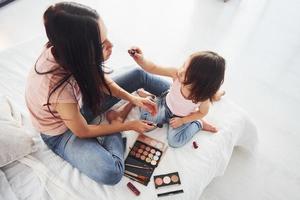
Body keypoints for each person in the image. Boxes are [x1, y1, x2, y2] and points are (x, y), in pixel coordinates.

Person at [25, 2, 170, 185]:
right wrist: (128, 125)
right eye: (102, 44)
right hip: (61, 132)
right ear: (82, 51)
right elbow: (83, 130)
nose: (111, 45)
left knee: (138, 75)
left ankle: (177, 97)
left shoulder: (66, 50)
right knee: (111, 172)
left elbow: (99, 79)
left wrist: (133, 98)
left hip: (77, 106)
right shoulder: (57, 87)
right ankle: (115, 118)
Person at [127, 47, 225, 148]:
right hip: (166, 103)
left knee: (175, 142)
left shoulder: (203, 98)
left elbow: (202, 112)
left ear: (199, 83)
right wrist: (141, 60)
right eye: (183, 65)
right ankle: (151, 97)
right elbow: (153, 68)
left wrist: (183, 121)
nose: (181, 70)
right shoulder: (177, 74)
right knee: (145, 118)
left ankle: (199, 124)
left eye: (186, 71)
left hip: (182, 116)